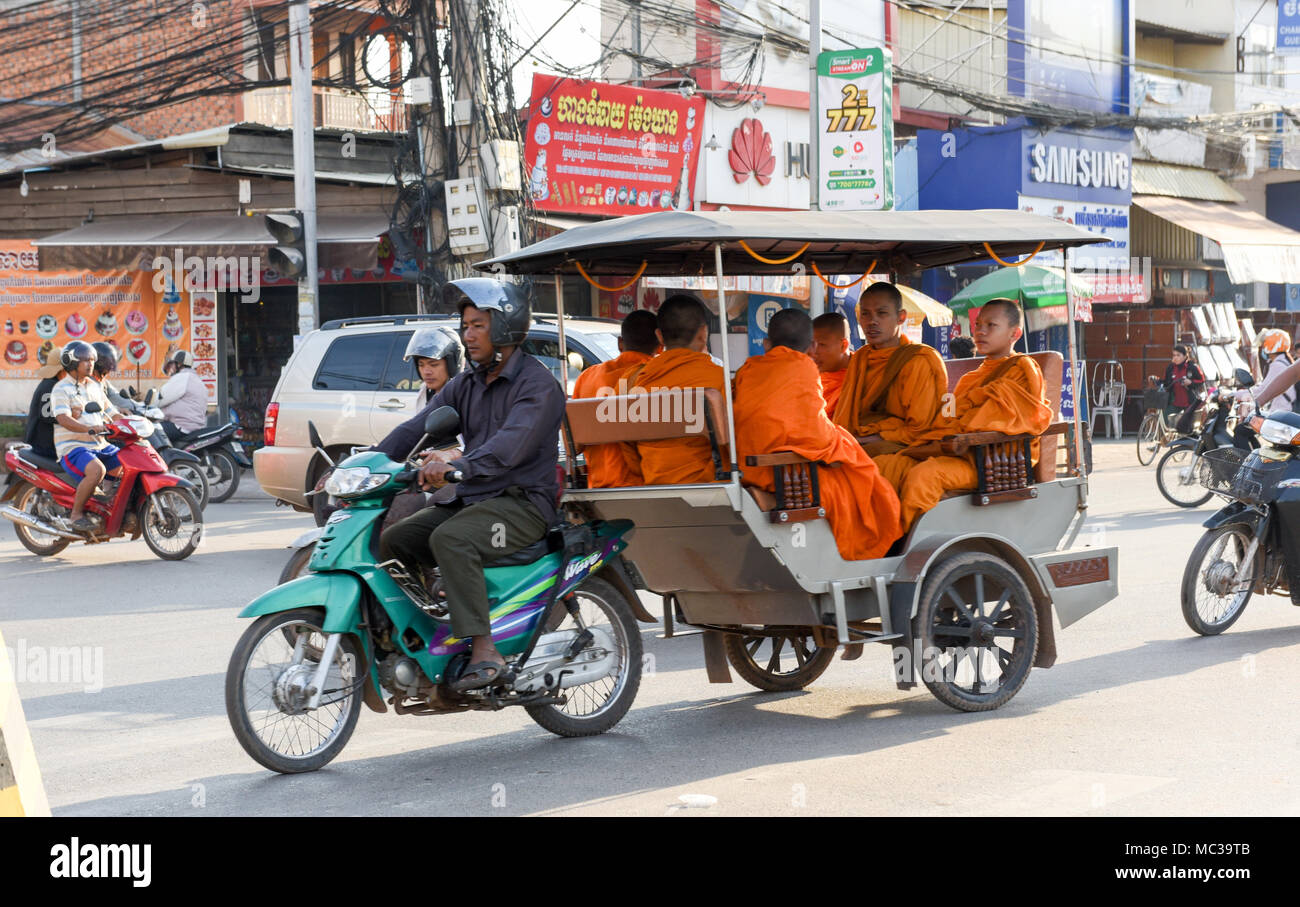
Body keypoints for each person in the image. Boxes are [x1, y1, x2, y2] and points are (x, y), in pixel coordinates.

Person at [374, 279, 565, 693]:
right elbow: (415, 429)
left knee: (452, 539)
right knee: (396, 539)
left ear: (506, 326)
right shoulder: (468, 383)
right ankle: (430, 631)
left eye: (479, 325)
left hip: (522, 505)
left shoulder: (538, 386)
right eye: (466, 326)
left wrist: (456, 465)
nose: (468, 334)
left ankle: (485, 649)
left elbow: (507, 448)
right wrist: (366, 462)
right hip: (475, 498)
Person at [734, 308, 902, 560]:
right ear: (811, 346)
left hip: (750, 467)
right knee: (862, 483)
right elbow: (817, 437)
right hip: (782, 470)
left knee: (855, 468)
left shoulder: (749, 368)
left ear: (767, 344)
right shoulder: (804, 367)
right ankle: (863, 553)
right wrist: (842, 441)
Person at [874, 299, 1052, 530]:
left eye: (991, 325)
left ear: (1014, 333)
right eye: (977, 325)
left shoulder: (1022, 370)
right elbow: (947, 419)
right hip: (955, 453)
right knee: (885, 464)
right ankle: (878, 532)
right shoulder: (969, 379)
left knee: (925, 475)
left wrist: (958, 429)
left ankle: (902, 540)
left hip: (988, 462)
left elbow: (996, 422)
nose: (980, 331)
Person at [831, 282, 947, 457]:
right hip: (859, 440)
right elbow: (846, 417)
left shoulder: (917, 361)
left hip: (906, 448)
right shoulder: (860, 358)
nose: (872, 322)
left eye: (882, 313)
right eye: (865, 314)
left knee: (864, 467)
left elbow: (920, 429)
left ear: (901, 317)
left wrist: (873, 438)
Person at [627, 294, 727, 484]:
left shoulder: (634, 382)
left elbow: (628, 450)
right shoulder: (717, 379)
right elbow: (732, 445)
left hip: (653, 482)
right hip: (708, 484)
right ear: (703, 333)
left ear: (659, 336)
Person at [571, 310, 659, 487]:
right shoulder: (659, 376)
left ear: (620, 343)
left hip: (599, 487)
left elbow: (574, 445)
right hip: (647, 486)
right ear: (660, 345)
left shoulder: (587, 377)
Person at [50, 341, 123, 533]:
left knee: (127, 461)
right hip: (73, 446)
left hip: (99, 444)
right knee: (96, 470)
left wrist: (129, 422)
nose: (90, 364)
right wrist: (87, 429)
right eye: (85, 360)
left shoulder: (94, 386)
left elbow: (111, 411)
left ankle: (104, 503)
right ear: (71, 362)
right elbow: (63, 418)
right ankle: (76, 515)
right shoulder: (61, 388)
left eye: (92, 360)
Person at [403, 326, 463, 409]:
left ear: (452, 365)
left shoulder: (464, 400)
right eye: (421, 365)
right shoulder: (424, 394)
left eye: (434, 364)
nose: (426, 372)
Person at [156, 349, 209, 440]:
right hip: (195, 426)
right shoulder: (197, 379)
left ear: (179, 364)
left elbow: (161, 399)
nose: (171, 368)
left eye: (172, 364)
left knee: (150, 431)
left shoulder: (182, 377)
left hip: (181, 426)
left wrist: (150, 405)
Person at [23, 350, 65, 460]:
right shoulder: (50, 386)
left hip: (48, 442)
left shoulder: (52, 383)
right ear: (61, 370)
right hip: (44, 445)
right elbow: (47, 415)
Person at [810, 311, 853, 418]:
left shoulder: (863, 375)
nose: (813, 352)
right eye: (811, 344)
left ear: (844, 345)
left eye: (822, 345)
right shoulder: (809, 376)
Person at [1161, 344, 1205, 437]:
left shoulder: (1192, 367)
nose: (1175, 358)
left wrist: (1191, 382)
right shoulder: (1170, 367)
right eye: (1174, 355)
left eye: (1178, 355)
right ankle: (1161, 440)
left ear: (1185, 356)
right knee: (1165, 419)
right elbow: (1165, 381)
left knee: (1188, 426)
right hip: (1174, 401)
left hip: (1189, 402)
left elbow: (1201, 381)